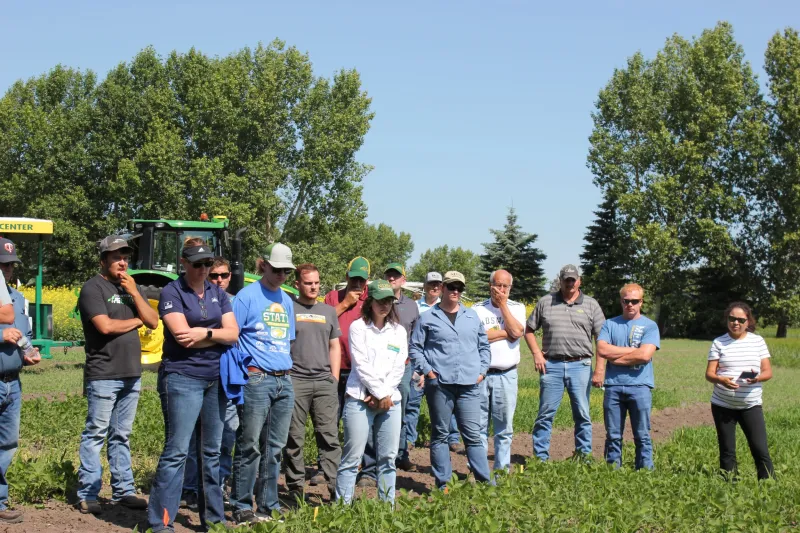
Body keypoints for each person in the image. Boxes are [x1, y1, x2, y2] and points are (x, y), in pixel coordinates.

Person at [147, 238, 239, 532]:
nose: (203, 269)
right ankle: (161, 522)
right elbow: (180, 333)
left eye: (207, 264)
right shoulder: (171, 292)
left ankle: (214, 521)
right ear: (183, 263)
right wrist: (215, 332)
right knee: (177, 450)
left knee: (211, 452)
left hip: (215, 379)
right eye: (197, 264)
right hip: (182, 377)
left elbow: (233, 333)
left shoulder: (218, 293)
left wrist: (205, 333)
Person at [76, 236, 159, 515]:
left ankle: (123, 490)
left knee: (121, 435)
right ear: (103, 261)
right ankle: (88, 493)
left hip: (131, 373)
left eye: (125, 257)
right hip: (103, 374)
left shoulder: (130, 287)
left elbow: (154, 320)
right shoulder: (92, 288)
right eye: (115, 257)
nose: (122, 262)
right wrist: (137, 320)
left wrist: (135, 293)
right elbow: (106, 326)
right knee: (96, 433)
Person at [230, 243, 296, 524]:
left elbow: (288, 339)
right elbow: (232, 336)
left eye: (286, 271)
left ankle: (268, 504)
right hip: (256, 378)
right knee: (250, 446)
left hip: (284, 379)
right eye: (277, 269)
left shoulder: (287, 300)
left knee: (275, 447)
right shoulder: (246, 297)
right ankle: (242, 505)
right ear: (264, 266)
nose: (282, 275)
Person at [409, 271, 492, 489]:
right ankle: (443, 484)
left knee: (473, 435)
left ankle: (484, 482)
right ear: (443, 288)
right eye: (451, 287)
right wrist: (429, 373)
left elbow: (483, 345)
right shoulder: (427, 318)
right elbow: (416, 348)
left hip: (470, 385)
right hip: (440, 385)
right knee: (440, 434)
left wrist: (482, 371)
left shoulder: (471, 316)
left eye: (459, 288)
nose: (455, 291)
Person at [335, 280, 407, 504]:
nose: (384, 305)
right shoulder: (358, 327)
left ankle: (387, 508)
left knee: (388, 457)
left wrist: (384, 394)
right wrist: (378, 393)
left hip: (390, 402)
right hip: (360, 398)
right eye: (380, 301)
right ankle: (342, 508)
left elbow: (399, 366)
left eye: (388, 301)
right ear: (370, 301)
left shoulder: (398, 331)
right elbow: (361, 365)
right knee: (352, 456)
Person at [524, 264, 605, 461]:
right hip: (551, 366)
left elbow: (601, 339)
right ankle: (540, 459)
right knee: (545, 414)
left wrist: (600, 369)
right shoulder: (546, 302)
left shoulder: (591, 304)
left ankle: (583, 456)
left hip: (581, 365)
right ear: (560, 281)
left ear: (579, 281)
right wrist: (536, 353)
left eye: (573, 279)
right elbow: (528, 330)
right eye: (566, 279)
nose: (570, 283)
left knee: (583, 414)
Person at [182, 257, 239, 509]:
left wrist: (215, 336)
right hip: (199, 373)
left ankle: (218, 486)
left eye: (223, 275)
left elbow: (235, 336)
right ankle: (190, 488)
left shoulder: (236, 302)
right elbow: (188, 336)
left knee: (226, 437)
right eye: (214, 276)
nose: (218, 280)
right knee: (193, 437)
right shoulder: (195, 299)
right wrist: (220, 336)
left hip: (229, 378)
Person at [283, 263, 342, 503]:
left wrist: (334, 378)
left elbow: (334, 345)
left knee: (329, 437)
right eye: (308, 283)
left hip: (324, 382)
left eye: (317, 282)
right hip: (296, 380)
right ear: (297, 284)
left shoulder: (328, 311)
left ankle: (336, 489)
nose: (314, 287)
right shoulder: (289, 308)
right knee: (293, 438)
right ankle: (296, 489)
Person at [361, 263, 419, 480]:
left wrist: (415, 367)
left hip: (402, 367)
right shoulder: (374, 303)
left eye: (396, 276)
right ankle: (370, 465)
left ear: (403, 279)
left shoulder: (412, 306)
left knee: (399, 411)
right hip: (375, 367)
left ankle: (399, 454)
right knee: (372, 409)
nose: (392, 279)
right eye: (389, 276)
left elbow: (416, 338)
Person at [592, 283, 660, 470]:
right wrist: (632, 352)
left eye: (634, 301)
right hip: (613, 386)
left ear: (641, 302)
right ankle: (612, 470)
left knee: (642, 434)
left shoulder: (650, 326)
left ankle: (645, 470)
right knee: (613, 435)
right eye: (626, 301)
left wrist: (617, 358)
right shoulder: (610, 324)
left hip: (640, 386)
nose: (630, 304)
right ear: (621, 301)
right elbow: (602, 349)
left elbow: (645, 355)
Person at [705, 302, 774, 480]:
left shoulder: (757, 341)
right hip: (722, 404)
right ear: (727, 319)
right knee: (727, 450)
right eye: (732, 319)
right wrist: (720, 379)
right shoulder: (719, 342)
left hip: (750, 405)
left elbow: (768, 372)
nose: (736, 323)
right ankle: (728, 486)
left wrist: (757, 378)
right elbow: (709, 374)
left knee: (760, 448)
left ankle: (768, 486)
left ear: (748, 321)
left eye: (740, 320)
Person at [0, 238, 41, 524]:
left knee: (7, 444)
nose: (6, 271)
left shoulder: (17, 298)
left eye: (10, 265)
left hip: (12, 382)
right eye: (2, 265)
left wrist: (29, 352)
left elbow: (22, 334)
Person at [403, 272, 462, 458]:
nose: (434, 287)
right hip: (418, 363)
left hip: (440, 365)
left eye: (438, 284)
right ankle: (409, 439)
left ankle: (452, 438)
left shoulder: (448, 307)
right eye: (431, 284)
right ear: (424, 286)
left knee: (448, 403)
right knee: (412, 403)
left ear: (442, 287)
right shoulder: (415, 306)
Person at [473, 270, 525, 472]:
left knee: (504, 428)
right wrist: (506, 333)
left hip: (507, 374)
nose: (501, 290)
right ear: (490, 285)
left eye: (505, 286)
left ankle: (502, 470)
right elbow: (477, 337)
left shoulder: (516, 307)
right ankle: (479, 470)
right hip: (482, 374)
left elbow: (518, 332)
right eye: (498, 285)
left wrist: (503, 305)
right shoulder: (477, 309)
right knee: (478, 427)